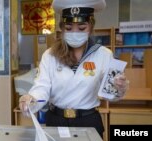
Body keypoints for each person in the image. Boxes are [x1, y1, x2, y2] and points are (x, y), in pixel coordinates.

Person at [19, 0, 129, 138]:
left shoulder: (103, 54)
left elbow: (109, 92)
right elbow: (42, 87)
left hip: (88, 121)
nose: (75, 32)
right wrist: (31, 99)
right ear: (62, 28)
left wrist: (119, 89)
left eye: (82, 28)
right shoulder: (50, 55)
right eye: (69, 28)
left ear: (91, 26)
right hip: (56, 120)